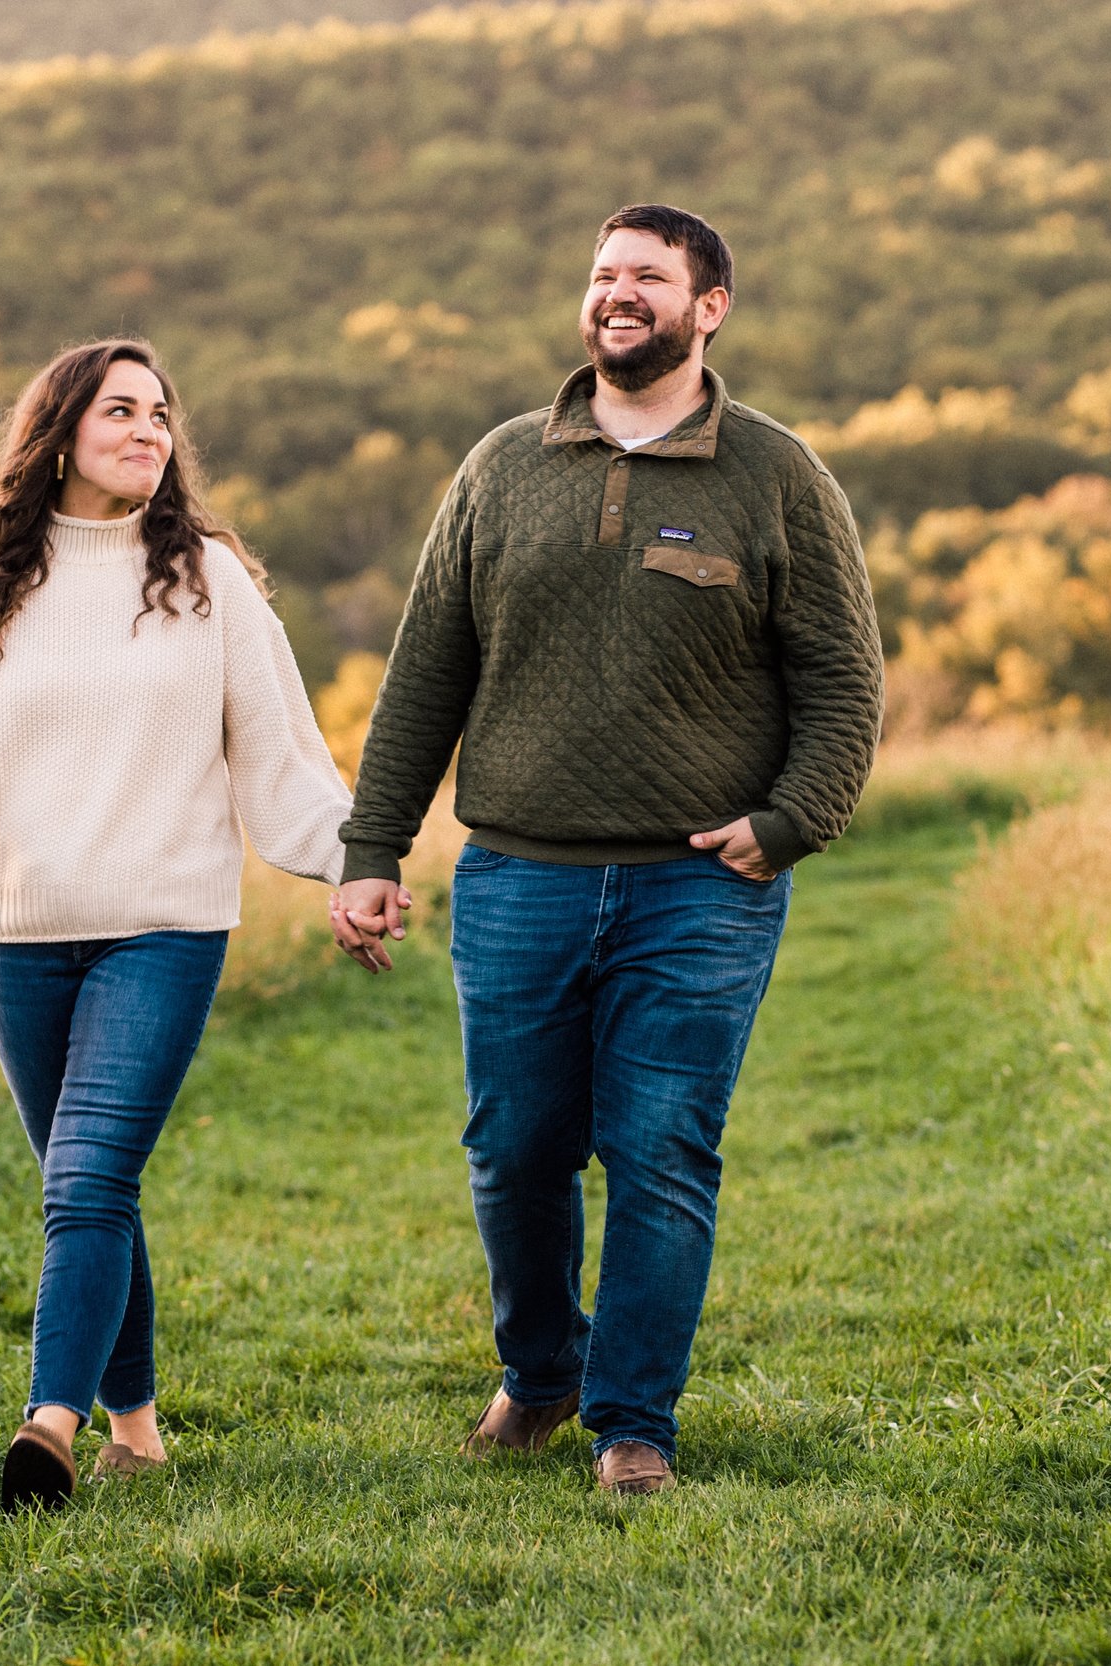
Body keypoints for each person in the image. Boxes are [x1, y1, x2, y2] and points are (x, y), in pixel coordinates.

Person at [329, 204, 884, 1495]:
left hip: (701, 887)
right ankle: (540, 1372)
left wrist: (791, 821)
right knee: (513, 1146)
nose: (617, 293)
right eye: (602, 274)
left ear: (711, 306)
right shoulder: (501, 468)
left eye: (648, 275)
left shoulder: (776, 474)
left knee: (661, 1148)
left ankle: (634, 1422)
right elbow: (425, 676)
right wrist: (373, 847)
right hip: (517, 875)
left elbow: (846, 686)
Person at [0, 339, 350, 1513]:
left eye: (162, 414)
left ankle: (49, 1422)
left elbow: (280, 750)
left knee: (81, 1183)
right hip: (18, 931)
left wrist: (351, 866)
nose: (149, 430)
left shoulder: (208, 579)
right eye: (122, 410)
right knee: (96, 1190)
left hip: (163, 927)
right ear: (60, 430)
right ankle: (138, 1425)